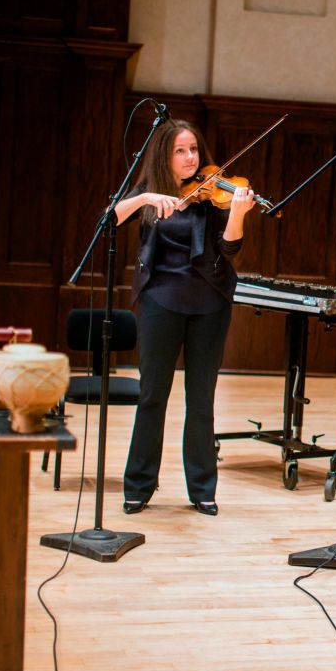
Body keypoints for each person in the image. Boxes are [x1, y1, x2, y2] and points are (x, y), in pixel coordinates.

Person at [114, 120, 256, 517]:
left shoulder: (214, 194)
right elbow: (111, 218)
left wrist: (239, 211)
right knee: (152, 396)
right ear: (165, 155)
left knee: (201, 400)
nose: (190, 158)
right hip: (160, 302)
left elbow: (229, 248)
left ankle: (202, 488)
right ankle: (139, 485)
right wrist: (146, 200)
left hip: (210, 304)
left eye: (193, 149)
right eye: (180, 151)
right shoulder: (150, 192)